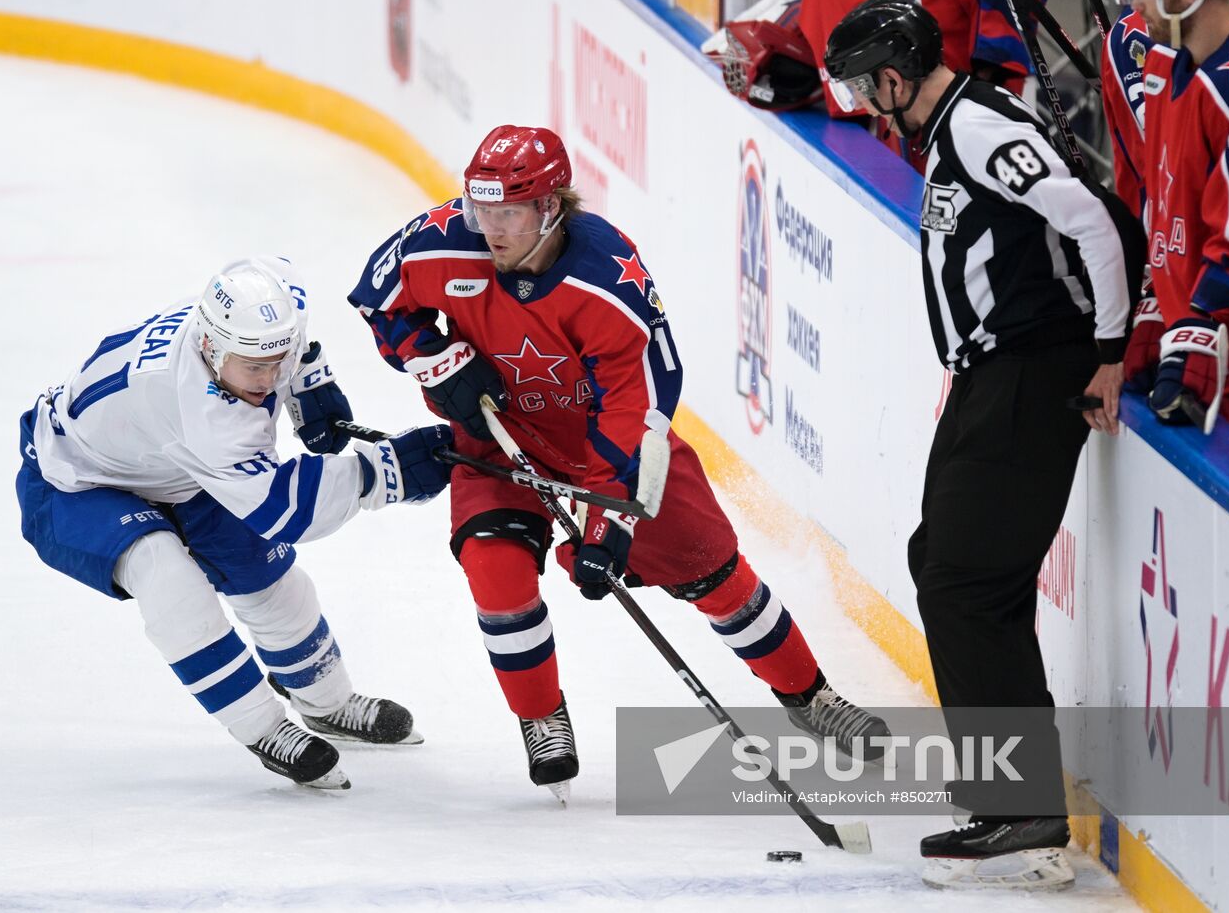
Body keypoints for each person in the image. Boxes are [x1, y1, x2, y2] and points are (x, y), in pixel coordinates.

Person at [347, 125, 889, 802]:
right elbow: (378, 301)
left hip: (606, 445)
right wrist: (433, 357)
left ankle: (810, 695)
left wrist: (609, 523)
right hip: (498, 433)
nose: (490, 228)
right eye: (481, 209)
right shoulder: (444, 240)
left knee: (718, 575)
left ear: (551, 207)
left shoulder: (606, 279)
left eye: (508, 212)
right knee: (495, 569)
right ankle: (542, 718)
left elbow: (639, 411)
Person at [825, 0, 1145, 889]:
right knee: (950, 564)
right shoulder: (946, 129)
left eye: (861, 88)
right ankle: (1014, 793)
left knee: (964, 579)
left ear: (896, 78)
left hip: (1032, 372)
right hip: (987, 378)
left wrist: (1112, 351)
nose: (857, 104)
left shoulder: (975, 127)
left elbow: (1091, 219)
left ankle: (1018, 803)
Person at [15, 256, 453, 788]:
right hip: (75, 483)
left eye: (279, 361)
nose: (269, 380)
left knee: (272, 582)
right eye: (255, 368)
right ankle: (263, 727)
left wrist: (306, 379)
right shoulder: (203, 415)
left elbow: (283, 304)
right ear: (209, 348)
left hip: (169, 466)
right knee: (168, 577)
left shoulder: (265, 316)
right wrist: (385, 472)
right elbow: (282, 508)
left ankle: (326, 703)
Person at [1101, 0, 1229, 399]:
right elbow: (1170, 205)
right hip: (1193, 337)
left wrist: (1199, 320)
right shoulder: (1160, 68)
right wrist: (1159, 303)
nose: (1135, 5)